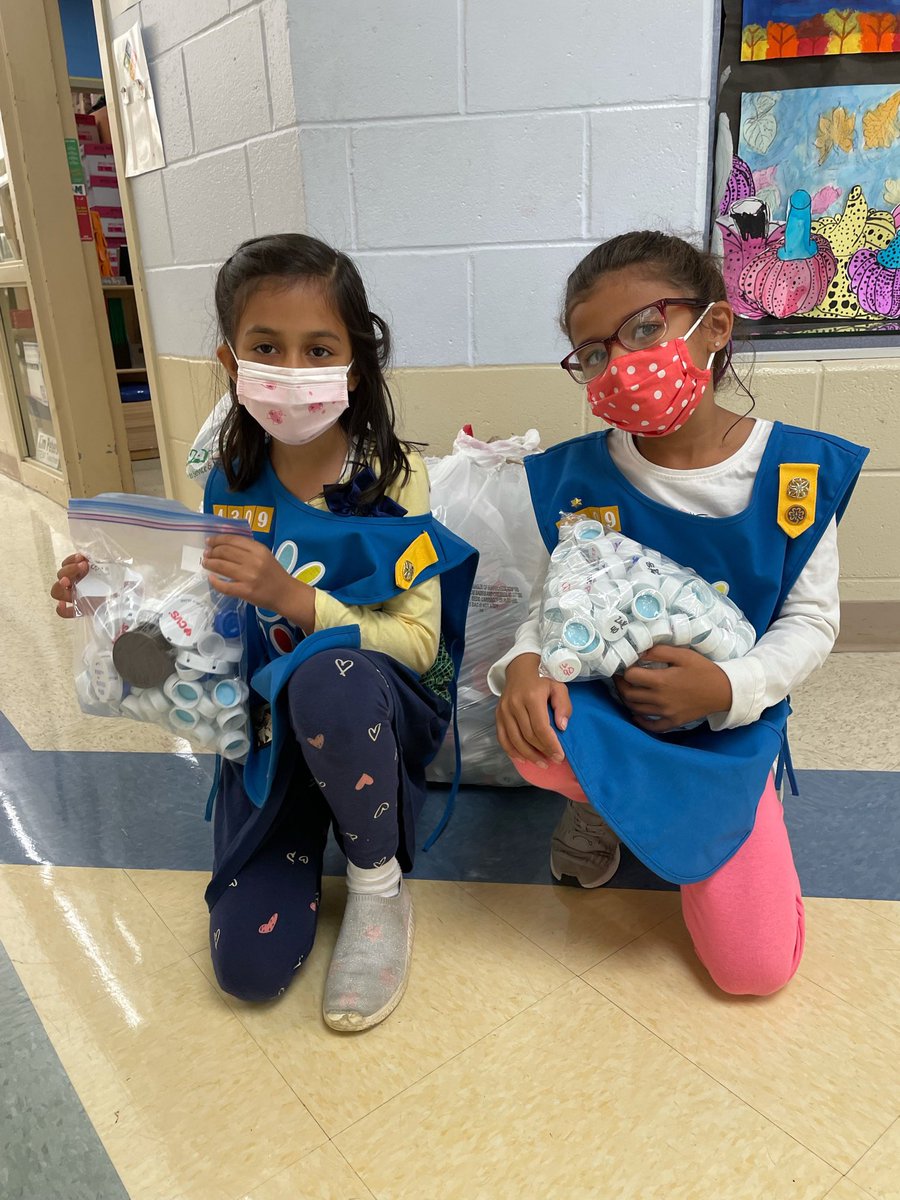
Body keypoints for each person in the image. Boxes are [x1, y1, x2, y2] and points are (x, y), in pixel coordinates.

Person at [52, 234, 476, 1030]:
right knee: (247, 970)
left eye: (318, 347)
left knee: (329, 674)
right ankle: (300, 823)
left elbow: (420, 646)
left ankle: (377, 882)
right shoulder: (229, 481)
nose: (291, 366)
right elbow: (204, 605)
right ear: (230, 361)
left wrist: (296, 600)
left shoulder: (395, 479)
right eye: (265, 347)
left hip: (365, 719)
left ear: (353, 363)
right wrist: (107, 594)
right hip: (267, 740)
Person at [491, 231, 867, 996]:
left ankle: (722, 802)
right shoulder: (578, 477)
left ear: (716, 328)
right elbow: (556, 602)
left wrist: (728, 690)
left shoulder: (796, 472)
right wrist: (524, 663)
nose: (619, 365)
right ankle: (614, 804)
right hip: (617, 713)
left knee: (754, 973)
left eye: (643, 329)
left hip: (726, 724)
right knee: (533, 731)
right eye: (592, 354)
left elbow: (811, 622)